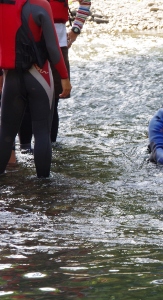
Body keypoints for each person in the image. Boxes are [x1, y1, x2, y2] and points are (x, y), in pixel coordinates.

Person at [0, 0, 72, 177]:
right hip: (39, 76)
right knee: (41, 132)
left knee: (6, 133)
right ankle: (43, 186)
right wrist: (64, 78)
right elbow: (53, 48)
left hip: (11, 78)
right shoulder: (41, 5)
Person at [18, 0, 91, 151]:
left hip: (58, 43)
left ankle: (49, 148)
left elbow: (85, 2)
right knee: (25, 98)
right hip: (27, 42)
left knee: (54, 100)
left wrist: (75, 30)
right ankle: (25, 147)